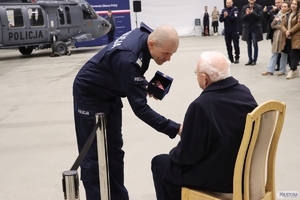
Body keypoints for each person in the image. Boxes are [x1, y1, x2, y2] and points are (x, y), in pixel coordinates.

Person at [73, 22, 182, 200]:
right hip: (89, 95)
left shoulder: (145, 36)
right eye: (166, 53)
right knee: (93, 158)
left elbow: (131, 72)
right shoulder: (127, 58)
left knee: (115, 152)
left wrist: (141, 84)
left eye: (172, 54)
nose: (168, 59)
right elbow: (140, 109)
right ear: (152, 44)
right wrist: (175, 128)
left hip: (112, 93)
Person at [151, 51, 258, 200]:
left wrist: (175, 152)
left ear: (205, 78)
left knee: (160, 163)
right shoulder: (244, 93)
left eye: (197, 73)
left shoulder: (201, 106)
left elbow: (187, 156)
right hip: (246, 171)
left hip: (221, 178)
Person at [262, 1, 289, 76]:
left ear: (288, 8)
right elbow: (272, 25)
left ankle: (282, 70)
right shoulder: (279, 13)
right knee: (274, 53)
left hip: (284, 35)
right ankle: (270, 70)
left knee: (283, 53)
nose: (282, 8)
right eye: (282, 6)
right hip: (276, 35)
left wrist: (278, 25)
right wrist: (275, 21)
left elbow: (284, 26)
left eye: (284, 7)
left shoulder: (288, 15)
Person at [281, 0, 300, 79]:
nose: (293, 5)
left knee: (294, 53)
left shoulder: (298, 14)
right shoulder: (287, 14)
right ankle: (294, 69)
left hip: (296, 37)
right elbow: (282, 25)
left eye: (295, 4)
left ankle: (292, 70)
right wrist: (286, 31)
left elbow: (299, 24)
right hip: (287, 37)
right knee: (290, 53)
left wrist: (290, 31)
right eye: (292, 3)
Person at [241, 0, 264, 66]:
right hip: (247, 29)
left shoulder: (259, 7)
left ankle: (255, 59)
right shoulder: (244, 7)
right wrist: (246, 14)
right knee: (248, 45)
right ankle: (250, 59)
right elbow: (242, 18)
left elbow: (260, 17)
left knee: (255, 44)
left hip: (255, 28)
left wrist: (252, 12)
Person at [263, 0, 283, 71]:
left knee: (282, 51)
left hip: (282, 33)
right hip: (273, 33)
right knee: (275, 50)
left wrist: (277, 10)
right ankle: (277, 64)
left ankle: (282, 65)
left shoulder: (284, 10)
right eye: (276, 3)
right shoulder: (272, 11)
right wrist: (265, 12)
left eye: (279, 3)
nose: (277, 4)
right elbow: (267, 18)